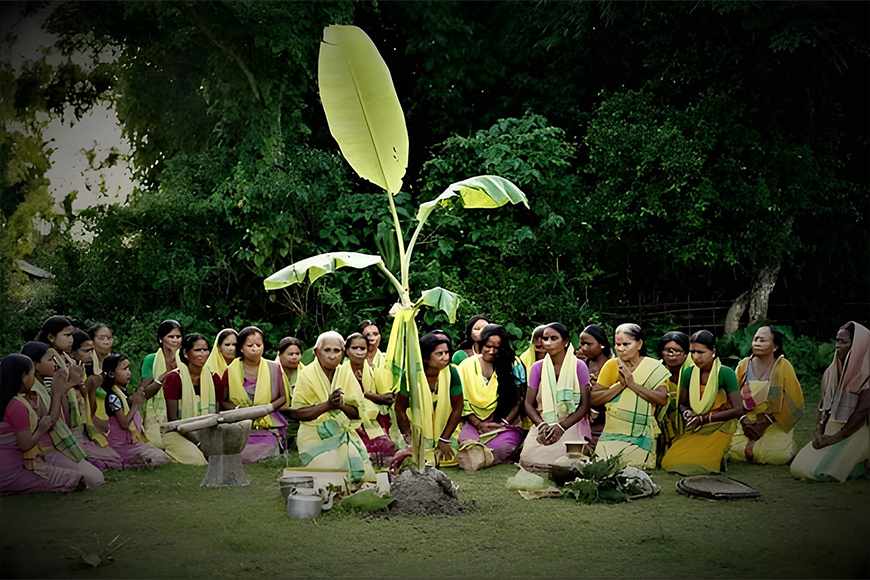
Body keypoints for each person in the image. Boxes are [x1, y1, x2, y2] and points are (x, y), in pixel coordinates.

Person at [290, 331, 375, 482]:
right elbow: (298, 413)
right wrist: (328, 405)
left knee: (365, 477)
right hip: (313, 435)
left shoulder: (346, 373)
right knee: (331, 478)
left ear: (343, 353)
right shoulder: (306, 374)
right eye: (327, 350)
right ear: (317, 352)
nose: (332, 355)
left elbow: (356, 414)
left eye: (337, 351)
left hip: (342, 432)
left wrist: (340, 405)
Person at [26, 338, 122, 472]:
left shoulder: (54, 383)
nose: (56, 364)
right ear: (35, 365)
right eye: (50, 360)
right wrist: (64, 388)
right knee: (95, 475)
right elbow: (54, 421)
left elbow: (73, 412)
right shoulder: (36, 390)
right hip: (49, 446)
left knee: (114, 460)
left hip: (74, 434)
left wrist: (78, 385)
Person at [792, 322, 870, 482]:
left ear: (859, 346)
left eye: (844, 342)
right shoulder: (831, 372)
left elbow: (861, 414)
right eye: (837, 341)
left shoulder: (866, 376)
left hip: (859, 432)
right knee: (799, 468)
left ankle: (861, 462)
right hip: (832, 429)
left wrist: (834, 439)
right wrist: (819, 433)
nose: (837, 346)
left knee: (820, 472)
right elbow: (823, 407)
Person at [661, 330, 743, 475]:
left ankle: (722, 453)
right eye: (692, 352)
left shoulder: (725, 373)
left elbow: (738, 409)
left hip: (720, 426)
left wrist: (704, 418)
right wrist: (687, 413)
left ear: (713, 352)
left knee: (699, 464)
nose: (696, 357)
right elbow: (682, 403)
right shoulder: (688, 373)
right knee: (670, 461)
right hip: (696, 427)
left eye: (700, 352)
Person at [0, 354, 84, 493]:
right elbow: (25, 445)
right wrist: (41, 429)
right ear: (24, 377)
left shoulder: (9, 400)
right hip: (13, 470)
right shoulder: (16, 405)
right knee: (76, 479)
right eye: (32, 374)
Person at [591, 323, 669, 469]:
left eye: (626, 344)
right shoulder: (611, 365)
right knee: (602, 470)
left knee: (633, 472)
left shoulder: (654, 368)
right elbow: (594, 399)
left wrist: (633, 384)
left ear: (639, 344)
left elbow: (662, 399)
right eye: (617, 344)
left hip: (640, 436)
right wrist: (621, 385)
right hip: (612, 433)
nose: (621, 348)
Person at [520, 323, 593, 471]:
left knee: (567, 458)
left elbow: (584, 406)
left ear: (565, 342)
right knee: (528, 458)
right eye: (545, 339)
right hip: (544, 421)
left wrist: (561, 427)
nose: (548, 343)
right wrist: (541, 426)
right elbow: (528, 403)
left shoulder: (579, 366)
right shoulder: (537, 368)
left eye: (554, 338)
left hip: (570, 422)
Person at [728, 325, 805, 465]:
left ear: (775, 347)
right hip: (746, 423)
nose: (756, 343)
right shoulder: (743, 366)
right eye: (755, 339)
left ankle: (788, 447)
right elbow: (732, 397)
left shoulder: (783, 367)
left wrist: (765, 421)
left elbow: (794, 400)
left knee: (778, 455)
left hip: (774, 422)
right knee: (730, 449)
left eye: (762, 340)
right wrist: (744, 420)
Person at [456, 324, 525, 470]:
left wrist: (503, 423)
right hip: (474, 422)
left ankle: (484, 457)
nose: (492, 351)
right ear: (481, 344)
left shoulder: (514, 364)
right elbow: (462, 401)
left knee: (503, 446)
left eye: (497, 348)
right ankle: (482, 456)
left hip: (504, 424)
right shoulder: (466, 366)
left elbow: (519, 400)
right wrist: (479, 424)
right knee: (467, 443)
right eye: (488, 346)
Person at [139, 320, 207, 465]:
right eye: (171, 337)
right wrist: (164, 377)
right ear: (161, 339)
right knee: (157, 443)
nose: (175, 340)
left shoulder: (186, 358)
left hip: (183, 411)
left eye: (178, 336)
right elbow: (144, 394)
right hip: (157, 416)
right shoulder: (151, 360)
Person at [393, 332, 464, 468]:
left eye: (447, 353)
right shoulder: (410, 375)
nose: (446, 357)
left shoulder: (452, 372)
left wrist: (444, 438)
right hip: (416, 432)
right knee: (410, 460)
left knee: (452, 458)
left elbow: (458, 407)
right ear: (425, 357)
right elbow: (399, 408)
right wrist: (409, 440)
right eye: (439, 354)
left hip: (445, 432)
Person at [225, 326, 287, 463]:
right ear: (241, 348)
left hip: (266, 420)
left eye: (259, 345)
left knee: (267, 451)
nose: (255, 349)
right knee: (240, 452)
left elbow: (283, 397)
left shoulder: (274, 367)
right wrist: (240, 412)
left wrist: (267, 408)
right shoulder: (230, 370)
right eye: (250, 345)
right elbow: (223, 400)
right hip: (240, 422)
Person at [101, 354, 170, 468]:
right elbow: (124, 424)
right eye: (124, 369)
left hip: (131, 443)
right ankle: (129, 463)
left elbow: (138, 395)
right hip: (121, 445)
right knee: (160, 458)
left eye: (128, 368)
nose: (128, 372)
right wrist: (135, 406)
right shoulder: (112, 397)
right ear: (111, 373)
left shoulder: (122, 392)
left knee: (162, 455)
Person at [337, 333, 396, 463]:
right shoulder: (339, 372)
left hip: (373, 421)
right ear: (347, 351)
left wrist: (366, 393)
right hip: (347, 421)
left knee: (388, 454)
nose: (359, 352)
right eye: (355, 348)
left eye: (362, 349)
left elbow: (388, 398)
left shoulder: (373, 370)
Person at [164, 334, 225, 422]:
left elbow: (217, 412)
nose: (202, 354)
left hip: (208, 428)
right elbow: (172, 417)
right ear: (185, 353)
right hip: (180, 430)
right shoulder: (174, 378)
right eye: (198, 350)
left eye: (205, 350)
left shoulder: (214, 378)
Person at [656, 331, 691, 458]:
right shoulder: (655, 371)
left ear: (686, 353)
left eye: (677, 351)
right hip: (663, 423)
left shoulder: (694, 372)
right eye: (667, 350)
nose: (672, 355)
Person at [578, 324, 612, 444]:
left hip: (608, 422)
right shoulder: (581, 366)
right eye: (582, 344)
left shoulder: (613, 366)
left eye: (588, 344)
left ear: (602, 344)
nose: (584, 348)